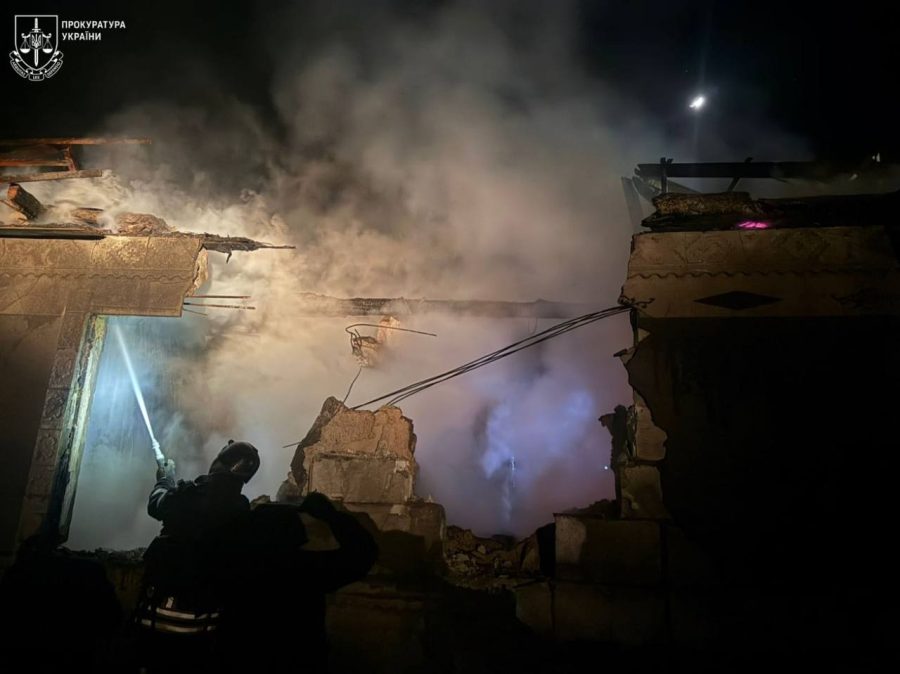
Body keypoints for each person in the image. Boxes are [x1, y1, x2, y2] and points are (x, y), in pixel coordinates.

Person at [133, 439, 259, 673]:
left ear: (221, 462)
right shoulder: (242, 511)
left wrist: (165, 479)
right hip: (205, 626)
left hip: (158, 617)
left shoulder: (191, 494)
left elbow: (156, 504)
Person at [224, 492, 379, 673]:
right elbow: (363, 553)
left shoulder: (239, 564)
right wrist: (331, 516)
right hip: (299, 658)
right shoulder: (303, 569)